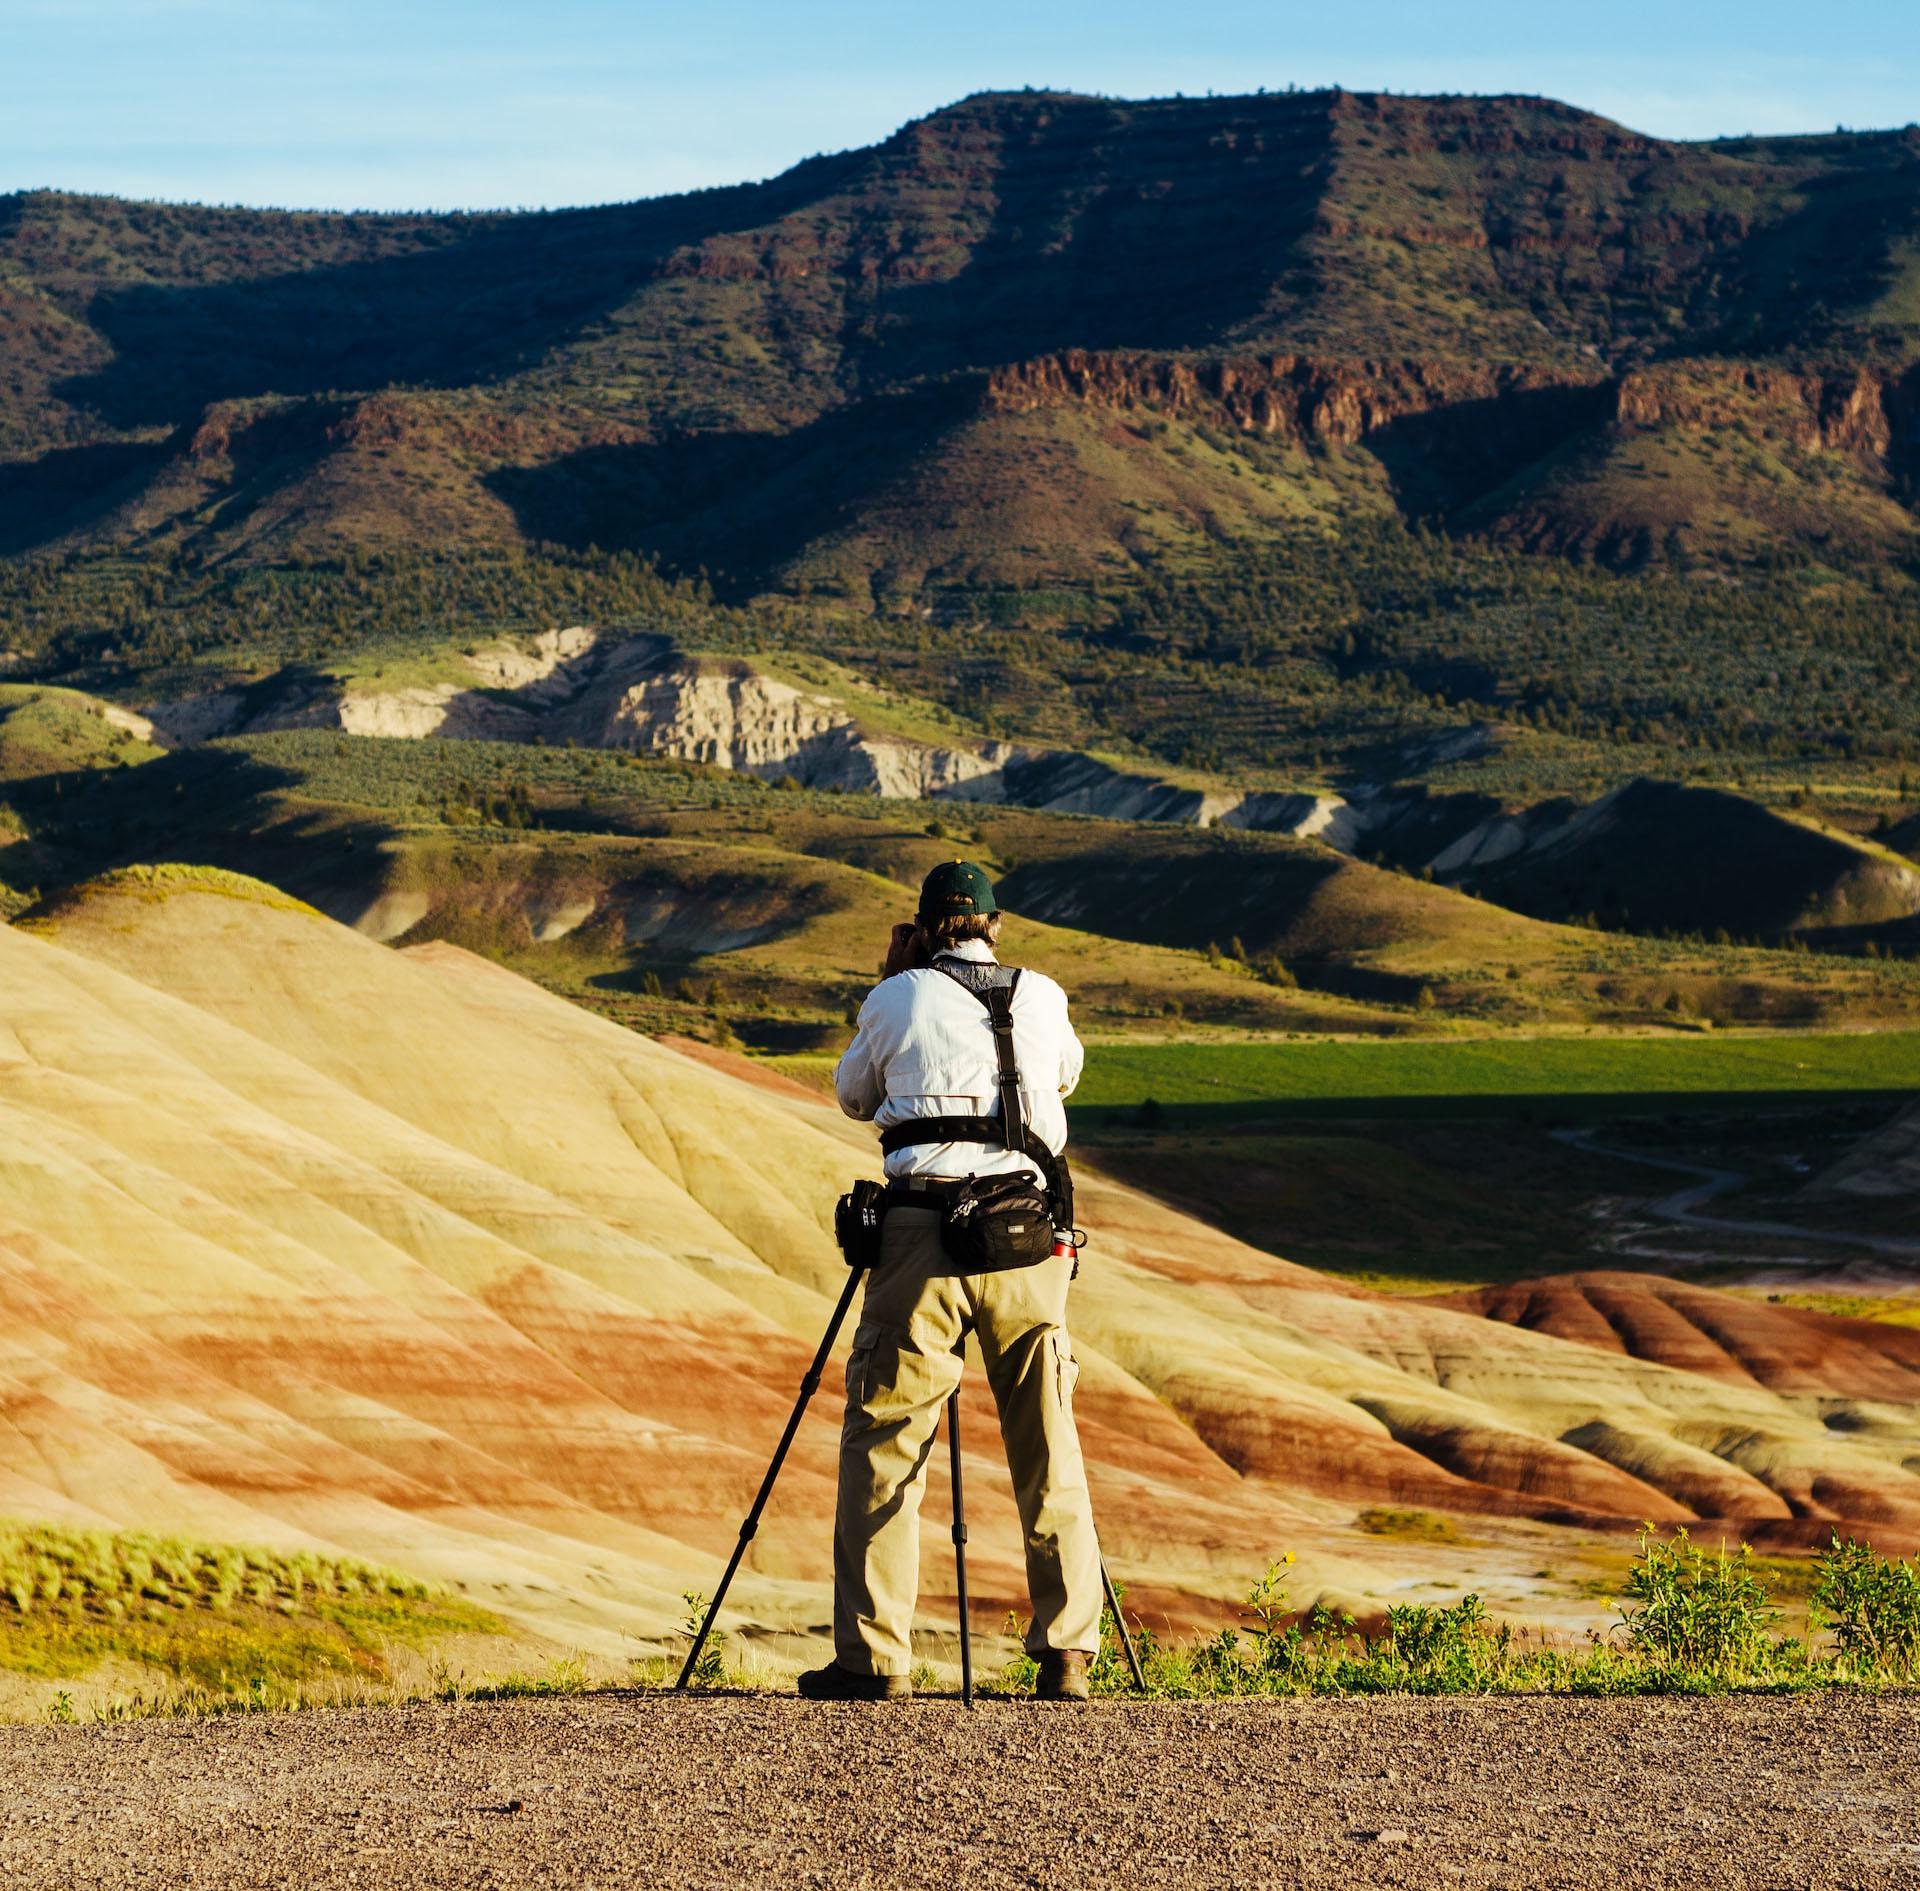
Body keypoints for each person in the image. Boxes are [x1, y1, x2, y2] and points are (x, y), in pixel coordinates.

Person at [798, 859, 1103, 1702]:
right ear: (995, 927)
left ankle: (872, 1659)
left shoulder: (897, 994)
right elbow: (1065, 1075)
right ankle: (1068, 1652)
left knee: (887, 1440)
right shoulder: (1041, 992)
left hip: (922, 1234)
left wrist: (893, 982)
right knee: (1047, 1435)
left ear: (926, 925)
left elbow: (854, 1095)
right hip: (1026, 1237)